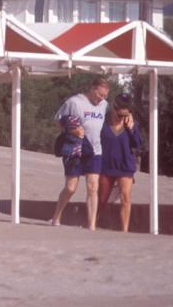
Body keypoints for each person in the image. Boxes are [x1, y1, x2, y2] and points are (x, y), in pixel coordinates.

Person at [50, 76, 110, 230]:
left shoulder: (104, 105)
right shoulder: (74, 102)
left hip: (95, 150)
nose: (101, 99)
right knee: (71, 187)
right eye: (100, 95)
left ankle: (91, 226)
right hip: (75, 148)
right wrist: (71, 130)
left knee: (93, 187)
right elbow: (58, 120)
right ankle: (56, 217)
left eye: (104, 96)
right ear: (92, 88)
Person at [98, 93, 143, 232]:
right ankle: (95, 223)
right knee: (101, 199)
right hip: (106, 166)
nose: (122, 118)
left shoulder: (133, 125)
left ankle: (124, 230)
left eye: (125, 115)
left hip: (125, 166)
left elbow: (138, 144)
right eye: (119, 115)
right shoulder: (103, 122)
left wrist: (131, 129)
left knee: (125, 197)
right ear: (114, 108)